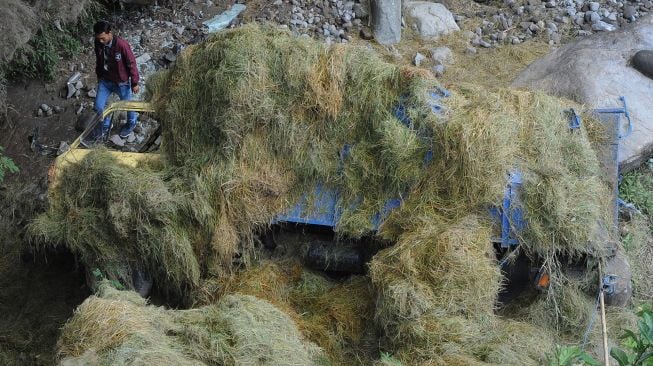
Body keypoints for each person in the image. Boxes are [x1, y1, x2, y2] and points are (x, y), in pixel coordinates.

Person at [91, 20, 140, 141]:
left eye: (103, 38)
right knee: (98, 106)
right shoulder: (98, 42)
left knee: (128, 105)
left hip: (121, 82)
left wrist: (134, 82)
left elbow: (131, 63)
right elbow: (99, 60)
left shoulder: (122, 45)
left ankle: (131, 123)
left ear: (110, 33)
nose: (101, 41)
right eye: (99, 39)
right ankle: (106, 125)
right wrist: (99, 76)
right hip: (105, 81)